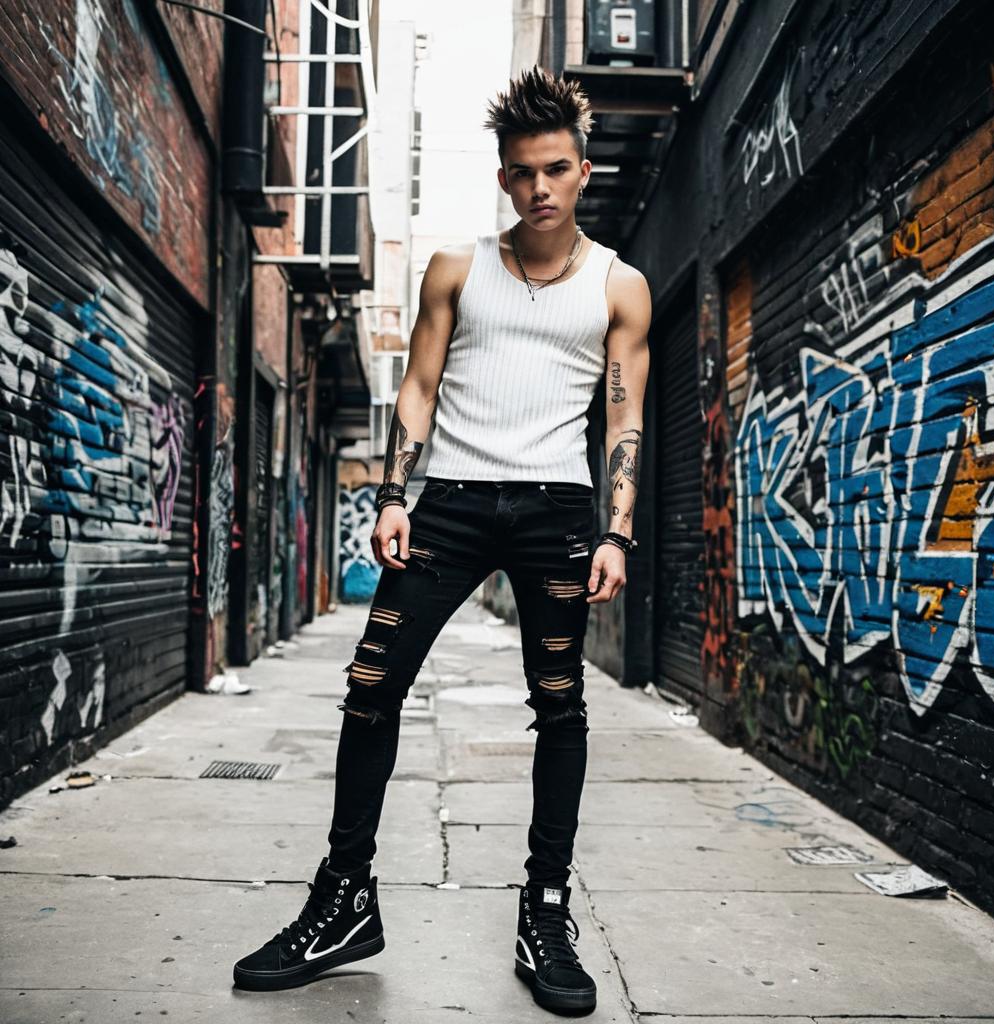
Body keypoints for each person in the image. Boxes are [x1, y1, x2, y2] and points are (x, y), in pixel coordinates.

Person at [233, 64, 651, 1016]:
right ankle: (344, 899)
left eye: (553, 169)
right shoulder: (457, 269)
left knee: (560, 707)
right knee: (371, 687)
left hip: (556, 511)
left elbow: (622, 420)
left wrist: (616, 531)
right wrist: (393, 494)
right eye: (519, 172)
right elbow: (417, 386)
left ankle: (545, 910)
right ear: (502, 176)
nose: (537, 188)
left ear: (583, 171)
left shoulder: (621, 288)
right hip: (451, 504)